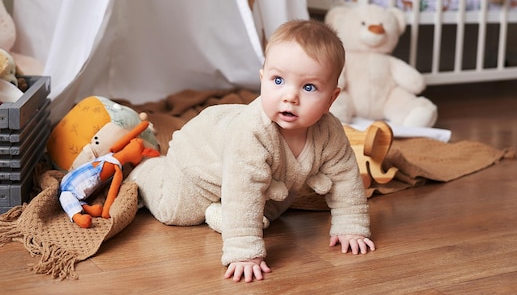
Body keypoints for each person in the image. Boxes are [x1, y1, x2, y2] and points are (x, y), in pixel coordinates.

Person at [128, 19, 375, 283]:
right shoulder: (252, 132)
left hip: (259, 180)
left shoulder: (330, 132)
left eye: (309, 87)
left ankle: (221, 212)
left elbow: (345, 177)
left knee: (272, 208)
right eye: (278, 80)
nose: (290, 96)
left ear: (331, 99)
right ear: (262, 80)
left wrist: (352, 227)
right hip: (200, 160)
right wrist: (244, 252)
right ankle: (147, 170)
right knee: (176, 212)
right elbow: (242, 189)